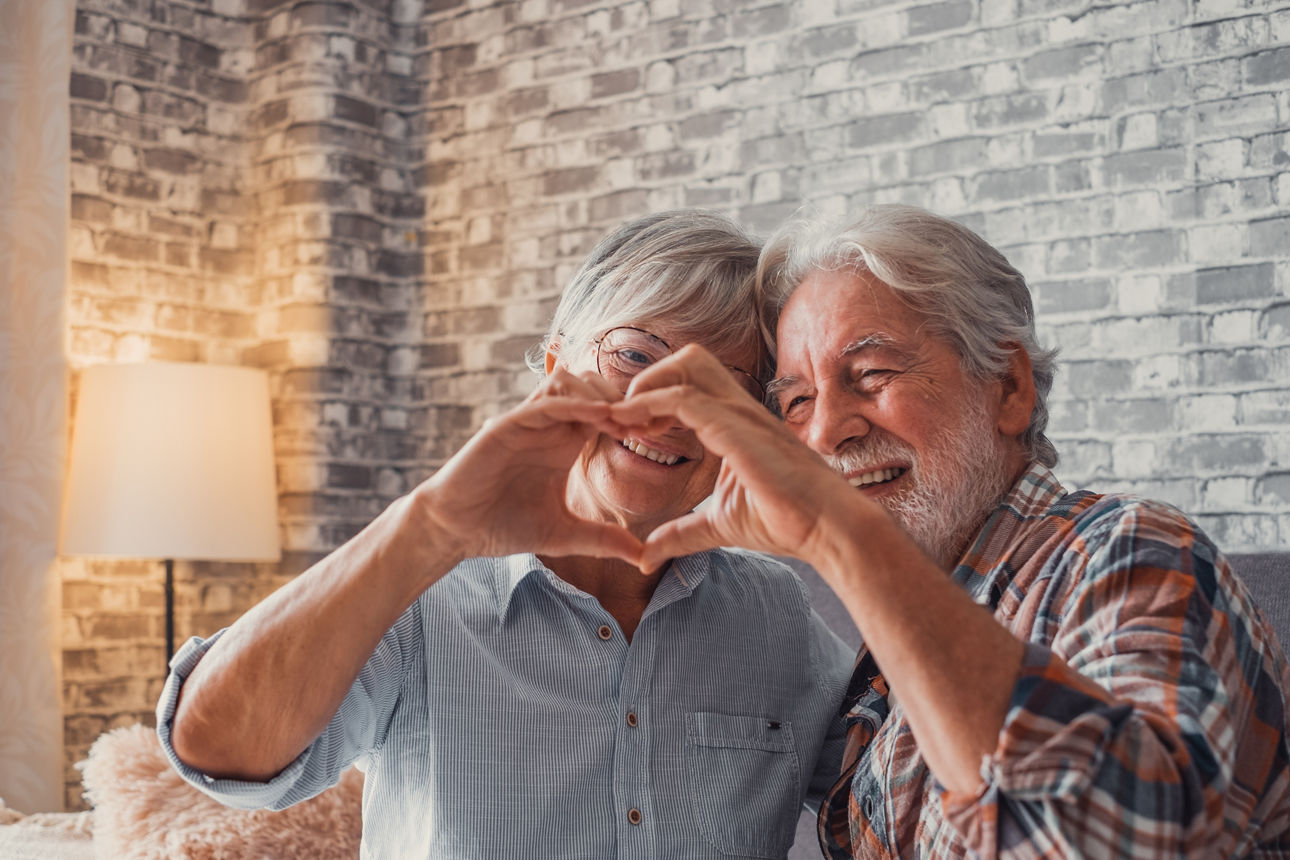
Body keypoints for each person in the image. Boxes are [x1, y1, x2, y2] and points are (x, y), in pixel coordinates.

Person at [156, 210, 855, 858]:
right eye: (636, 356)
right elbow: (218, 752)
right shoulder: (421, 588)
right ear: (556, 368)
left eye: (721, 388)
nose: (664, 412)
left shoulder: (777, 614)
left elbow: (916, 795)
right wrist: (430, 527)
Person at [609, 204, 1290, 857]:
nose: (824, 431)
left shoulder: (1128, 553)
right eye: (797, 400)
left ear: (1009, 388)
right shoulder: (894, 636)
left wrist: (846, 544)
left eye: (872, 375)